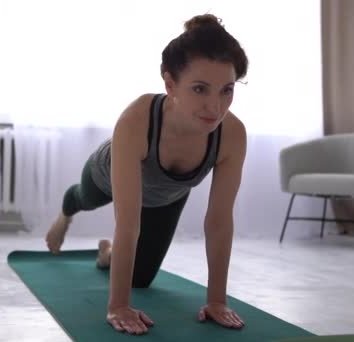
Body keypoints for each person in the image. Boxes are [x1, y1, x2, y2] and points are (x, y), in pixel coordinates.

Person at [45, 13, 248, 335]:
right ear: (170, 84)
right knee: (85, 198)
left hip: (166, 197)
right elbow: (128, 222)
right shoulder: (139, 117)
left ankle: (106, 253)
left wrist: (217, 301)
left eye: (227, 90)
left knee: (141, 279)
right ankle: (66, 211)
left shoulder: (232, 134)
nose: (215, 107)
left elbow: (219, 222)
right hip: (105, 176)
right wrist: (118, 307)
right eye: (199, 89)